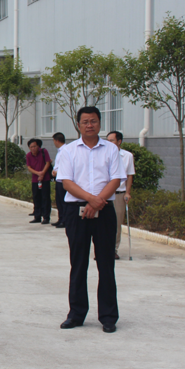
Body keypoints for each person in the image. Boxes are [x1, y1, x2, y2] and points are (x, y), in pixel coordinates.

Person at [56, 107, 126, 336]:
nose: (89, 125)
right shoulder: (68, 151)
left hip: (104, 211)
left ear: (99, 123)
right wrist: (90, 200)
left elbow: (116, 179)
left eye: (93, 121)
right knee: (78, 263)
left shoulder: (111, 149)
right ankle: (76, 314)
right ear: (78, 125)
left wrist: (96, 203)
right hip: (76, 211)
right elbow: (67, 182)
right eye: (85, 121)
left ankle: (108, 316)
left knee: (106, 263)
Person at [106, 131, 135, 260]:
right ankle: (101, 249)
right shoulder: (103, 154)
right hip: (105, 193)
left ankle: (113, 249)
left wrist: (127, 192)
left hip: (119, 194)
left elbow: (129, 175)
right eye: (107, 140)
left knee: (116, 223)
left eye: (111, 140)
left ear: (119, 142)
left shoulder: (127, 156)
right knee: (102, 224)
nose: (109, 143)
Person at [26, 138, 52, 225]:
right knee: (36, 197)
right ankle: (37, 216)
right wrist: (38, 173)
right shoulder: (28, 155)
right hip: (35, 179)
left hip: (45, 179)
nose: (33, 148)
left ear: (38, 146)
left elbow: (48, 163)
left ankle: (46, 217)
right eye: (31, 147)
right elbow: (29, 167)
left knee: (45, 198)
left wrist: (42, 173)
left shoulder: (44, 152)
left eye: (34, 146)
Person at [51, 133, 68, 228]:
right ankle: (60, 218)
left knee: (63, 201)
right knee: (58, 201)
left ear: (57, 140)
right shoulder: (60, 151)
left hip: (63, 179)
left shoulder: (65, 150)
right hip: (58, 179)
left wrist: (57, 172)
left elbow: (65, 165)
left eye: (54, 141)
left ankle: (64, 220)